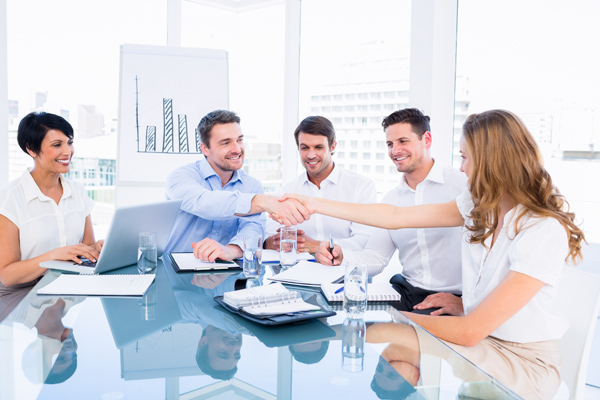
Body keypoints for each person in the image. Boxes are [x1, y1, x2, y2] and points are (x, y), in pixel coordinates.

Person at [282, 109, 585, 398]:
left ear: (495, 162)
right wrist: (313, 203)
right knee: (391, 342)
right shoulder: (480, 206)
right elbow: (395, 217)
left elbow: (469, 331)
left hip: (522, 363)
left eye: (467, 158)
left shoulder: (542, 229)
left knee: (393, 335)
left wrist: (394, 317)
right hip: (481, 342)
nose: (462, 167)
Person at [315, 108, 466, 315]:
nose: (395, 151)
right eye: (390, 144)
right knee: (337, 314)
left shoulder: (462, 186)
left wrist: (467, 303)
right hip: (406, 294)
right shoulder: (391, 199)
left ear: (427, 140)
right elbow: (376, 257)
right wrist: (343, 257)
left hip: (455, 297)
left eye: (403, 141)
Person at [165, 110, 310, 262]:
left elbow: (253, 228)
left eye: (239, 140)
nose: (237, 149)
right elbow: (203, 202)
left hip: (226, 272)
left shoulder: (252, 185)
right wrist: (261, 202)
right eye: (226, 143)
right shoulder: (180, 177)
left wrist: (231, 250)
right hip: (176, 269)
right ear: (205, 149)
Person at [0, 112, 103, 295]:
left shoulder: (78, 191)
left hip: (69, 287)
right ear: (31, 149)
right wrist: (53, 256)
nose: (67, 152)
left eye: (69, 142)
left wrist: (99, 249)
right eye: (57, 145)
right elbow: (7, 274)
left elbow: (86, 248)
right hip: (22, 292)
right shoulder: (10, 198)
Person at [263, 116, 375, 257]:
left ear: (332, 146)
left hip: (344, 274)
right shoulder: (287, 191)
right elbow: (269, 235)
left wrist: (315, 246)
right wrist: (276, 242)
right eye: (304, 148)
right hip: (297, 275)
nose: (311, 155)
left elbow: (364, 241)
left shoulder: (361, 186)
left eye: (318, 147)